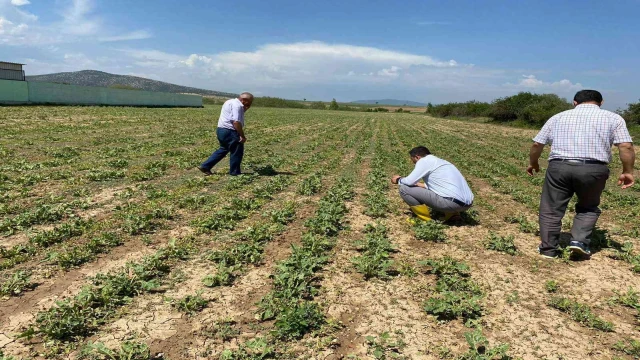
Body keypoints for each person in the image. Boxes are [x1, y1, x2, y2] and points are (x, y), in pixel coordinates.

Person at [527, 90, 635, 259]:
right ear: (601, 102)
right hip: (593, 169)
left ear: (574, 102)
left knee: (551, 209)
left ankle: (548, 250)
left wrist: (533, 162)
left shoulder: (558, 117)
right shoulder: (614, 118)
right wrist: (627, 171)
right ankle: (578, 241)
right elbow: (626, 146)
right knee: (588, 207)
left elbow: (537, 144)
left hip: (559, 167)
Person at [391, 146, 474, 222]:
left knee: (404, 189)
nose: (414, 164)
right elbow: (444, 184)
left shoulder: (424, 161)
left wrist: (398, 179)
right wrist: (423, 185)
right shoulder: (443, 162)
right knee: (448, 193)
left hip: (450, 204)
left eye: (414, 162)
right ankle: (453, 215)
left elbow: (409, 181)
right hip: (467, 204)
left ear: (417, 157)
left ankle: (424, 219)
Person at [198, 92, 254, 176]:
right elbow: (236, 122)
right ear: (244, 100)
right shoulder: (237, 106)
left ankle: (206, 166)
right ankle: (235, 173)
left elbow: (234, 115)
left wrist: (246, 108)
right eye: (250, 101)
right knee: (237, 151)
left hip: (221, 130)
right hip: (230, 131)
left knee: (224, 149)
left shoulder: (229, 102)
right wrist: (242, 135)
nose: (250, 103)